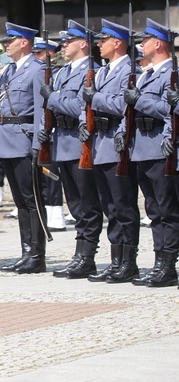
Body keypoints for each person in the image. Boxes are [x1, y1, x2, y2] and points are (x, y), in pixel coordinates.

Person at [38, 22, 103, 279]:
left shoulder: (92, 71)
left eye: (69, 41)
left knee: (87, 204)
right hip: (62, 142)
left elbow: (78, 107)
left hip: (80, 143)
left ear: (83, 44)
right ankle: (80, 255)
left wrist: (52, 97)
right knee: (75, 204)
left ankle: (87, 256)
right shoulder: (63, 72)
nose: (64, 46)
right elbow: (51, 107)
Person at [80, 19, 141, 283]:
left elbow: (123, 106)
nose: (98, 45)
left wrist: (95, 98)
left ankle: (128, 262)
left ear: (117, 43)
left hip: (118, 142)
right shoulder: (103, 71)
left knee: (123, 206)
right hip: (99, 143)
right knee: (110, 207)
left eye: (103, 40)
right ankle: (116, 260)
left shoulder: (130, 70)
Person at [121, 19, 177, 286]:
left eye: (145, 41)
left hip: (159, 148)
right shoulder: (146, 75)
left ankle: (169, 266)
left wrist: (139, 99)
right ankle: (158, 263)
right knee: (153, 210)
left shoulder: (172, 75)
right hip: (141, 148)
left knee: (168, 210)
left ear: (158, 44)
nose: (141, 45)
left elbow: (171, 112)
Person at [0, 22, 47, 274]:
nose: (6, 44)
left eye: (11, 39)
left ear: (24, 42)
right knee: (20, 202)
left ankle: (37, 255)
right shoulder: (9, 71)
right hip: (7, 140)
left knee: (32, 200)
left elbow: (41, 110)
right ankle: (26, 251)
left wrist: (38, 143)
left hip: (24, 139)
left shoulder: (37, 70)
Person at [32, 37, 68, 232]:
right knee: (44, 172)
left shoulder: (58, 72)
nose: (36, 57)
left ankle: (56, 213)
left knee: (53, 174)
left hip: (56, 130)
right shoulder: (41, 73)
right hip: (45, 130)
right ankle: (48, 209)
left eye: (40, 53)